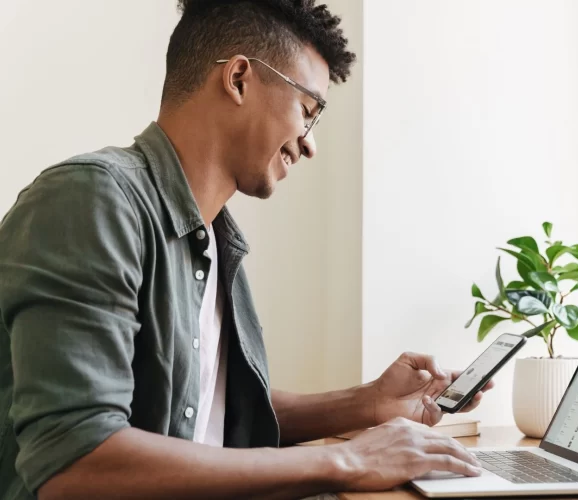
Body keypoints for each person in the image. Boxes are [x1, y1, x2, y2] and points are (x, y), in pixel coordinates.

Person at [0, 1, 493, 498]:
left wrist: (369, 403)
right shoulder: (91, 202)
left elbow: (212, 412)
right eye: (308, 111)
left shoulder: (213, 240)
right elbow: (76, 461)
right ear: (238, 78)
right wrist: (346, 458)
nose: (309, 144)